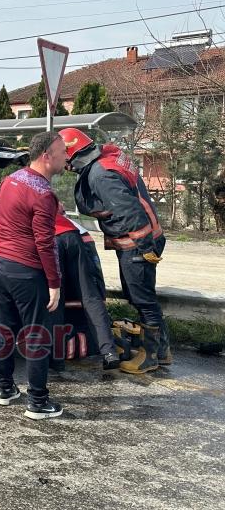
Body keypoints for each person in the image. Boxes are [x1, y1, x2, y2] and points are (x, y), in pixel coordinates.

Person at [59, 128, 169, 375]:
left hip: (137, 242)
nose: (66, 167)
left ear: (74, 156)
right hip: (142, 239)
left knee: (142, 299)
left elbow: (130, 212)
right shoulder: (108, 159)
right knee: (143, 296)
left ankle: (150, 357)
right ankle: (163, 351)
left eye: (66, 161)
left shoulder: (100, 175)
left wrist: (145, 247)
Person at [0, 131, 66, 420]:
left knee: (5, 329)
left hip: (1, 266)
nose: (66, 156)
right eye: (62, 152)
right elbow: (46, 244)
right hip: (27, 271)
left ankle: (4, 389)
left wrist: (11, 237)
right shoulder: (43, 194)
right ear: (47, 156)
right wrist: (54, 284)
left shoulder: (11, 180)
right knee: (37, 336)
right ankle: (37, 402)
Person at [54, 206, 120, 370]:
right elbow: (94, 271)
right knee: (90, 296)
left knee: (55, 297)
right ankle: (109, 351)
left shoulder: (18, 190)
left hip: (50, 237)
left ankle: (54, 356)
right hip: (76, 235)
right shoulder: (46, 192)